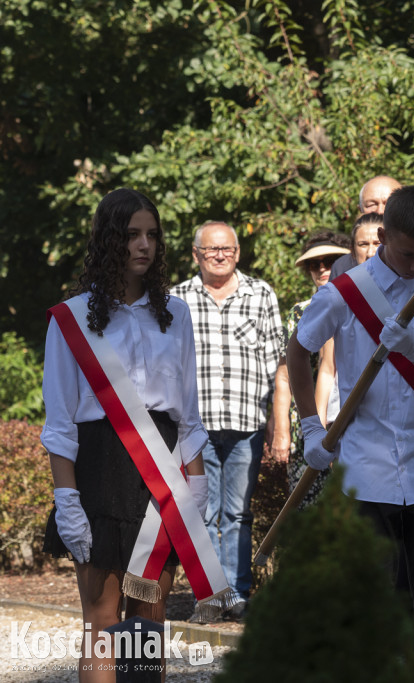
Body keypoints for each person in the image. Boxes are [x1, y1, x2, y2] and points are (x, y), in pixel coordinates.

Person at [287, 185, 414, 682]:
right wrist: (308, 425)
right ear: (382, 235)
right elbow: (297, 351)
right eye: (408, 254)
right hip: (366, 468)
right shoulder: (345, 292)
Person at [40, 188, 216, 681]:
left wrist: (196, 485)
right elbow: (59, 424)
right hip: (98, 472)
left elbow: (187, 414)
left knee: (149, 622)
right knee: (101, 621)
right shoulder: (69, 320)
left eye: (152, 235)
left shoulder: (176, 314)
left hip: (161, 473)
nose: (145, 245)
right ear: (108, 241)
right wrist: (67, 499)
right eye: (132, 235)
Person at [171, 221, 284, 620]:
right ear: (195, 254)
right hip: (194, 428)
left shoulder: (261, 294)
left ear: (238, 252)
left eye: (228, 250)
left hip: (246, 422)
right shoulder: (176, 298)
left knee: (237, 511)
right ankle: (209, 594)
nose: (220, 255)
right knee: (202, 512)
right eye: (211, 250)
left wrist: (279, 422)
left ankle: (236, 592)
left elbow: (278, 364)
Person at [270, 232, 351, 506]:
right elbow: (284, 377)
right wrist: (282, 431)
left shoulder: (361, 304)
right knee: (306, 510)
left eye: (330, 260)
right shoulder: (298, 312)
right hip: (306, 424)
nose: (322, 269)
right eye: (314, 264)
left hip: (349, 421)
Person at [331, 212, 384, 280]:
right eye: (363, 244)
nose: (370, 254)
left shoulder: (401, 286)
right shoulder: (340, 287)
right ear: (353, 251)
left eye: (377, 243)